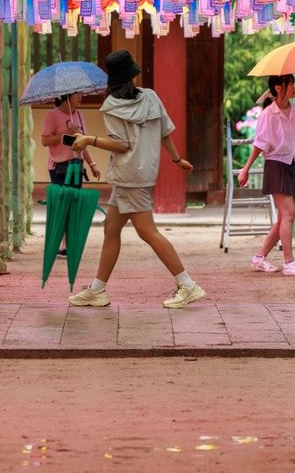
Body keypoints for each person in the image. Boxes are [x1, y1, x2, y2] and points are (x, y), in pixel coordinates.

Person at [67, 50, 205, 309]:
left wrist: (89, 140)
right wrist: (176, 159)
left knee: (147, 232)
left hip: (129, 176)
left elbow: (121, 144)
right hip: (140, 174)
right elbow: (165, 131)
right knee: (111, 228)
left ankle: (187, 284)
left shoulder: (110, 106)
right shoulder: (151, 97)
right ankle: (98, 289)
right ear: (132, 76)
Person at [238, 74, 295, 276]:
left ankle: (259, 257)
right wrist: (246, 169)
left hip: (293, 164)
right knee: (288, 214)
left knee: (284, 216)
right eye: (289, 83)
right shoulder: (268, 114)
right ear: (278, 87)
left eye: (293, 83)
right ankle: (289, 263)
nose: (293, 87)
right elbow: (260, 144)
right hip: (275, 164)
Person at [41, 91, 100, 255]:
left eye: (82, 93)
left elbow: (82, 143)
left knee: (74, 206)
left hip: (76, 166)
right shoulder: (52, 115)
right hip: (58, 167)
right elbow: (45, 140)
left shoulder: (79, 115)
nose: (81, 96)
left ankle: (69, 245)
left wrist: (92, 164)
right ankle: (62, 244)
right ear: (66, 96)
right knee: (63, 206)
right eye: (77, 94)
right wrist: (66, 135)